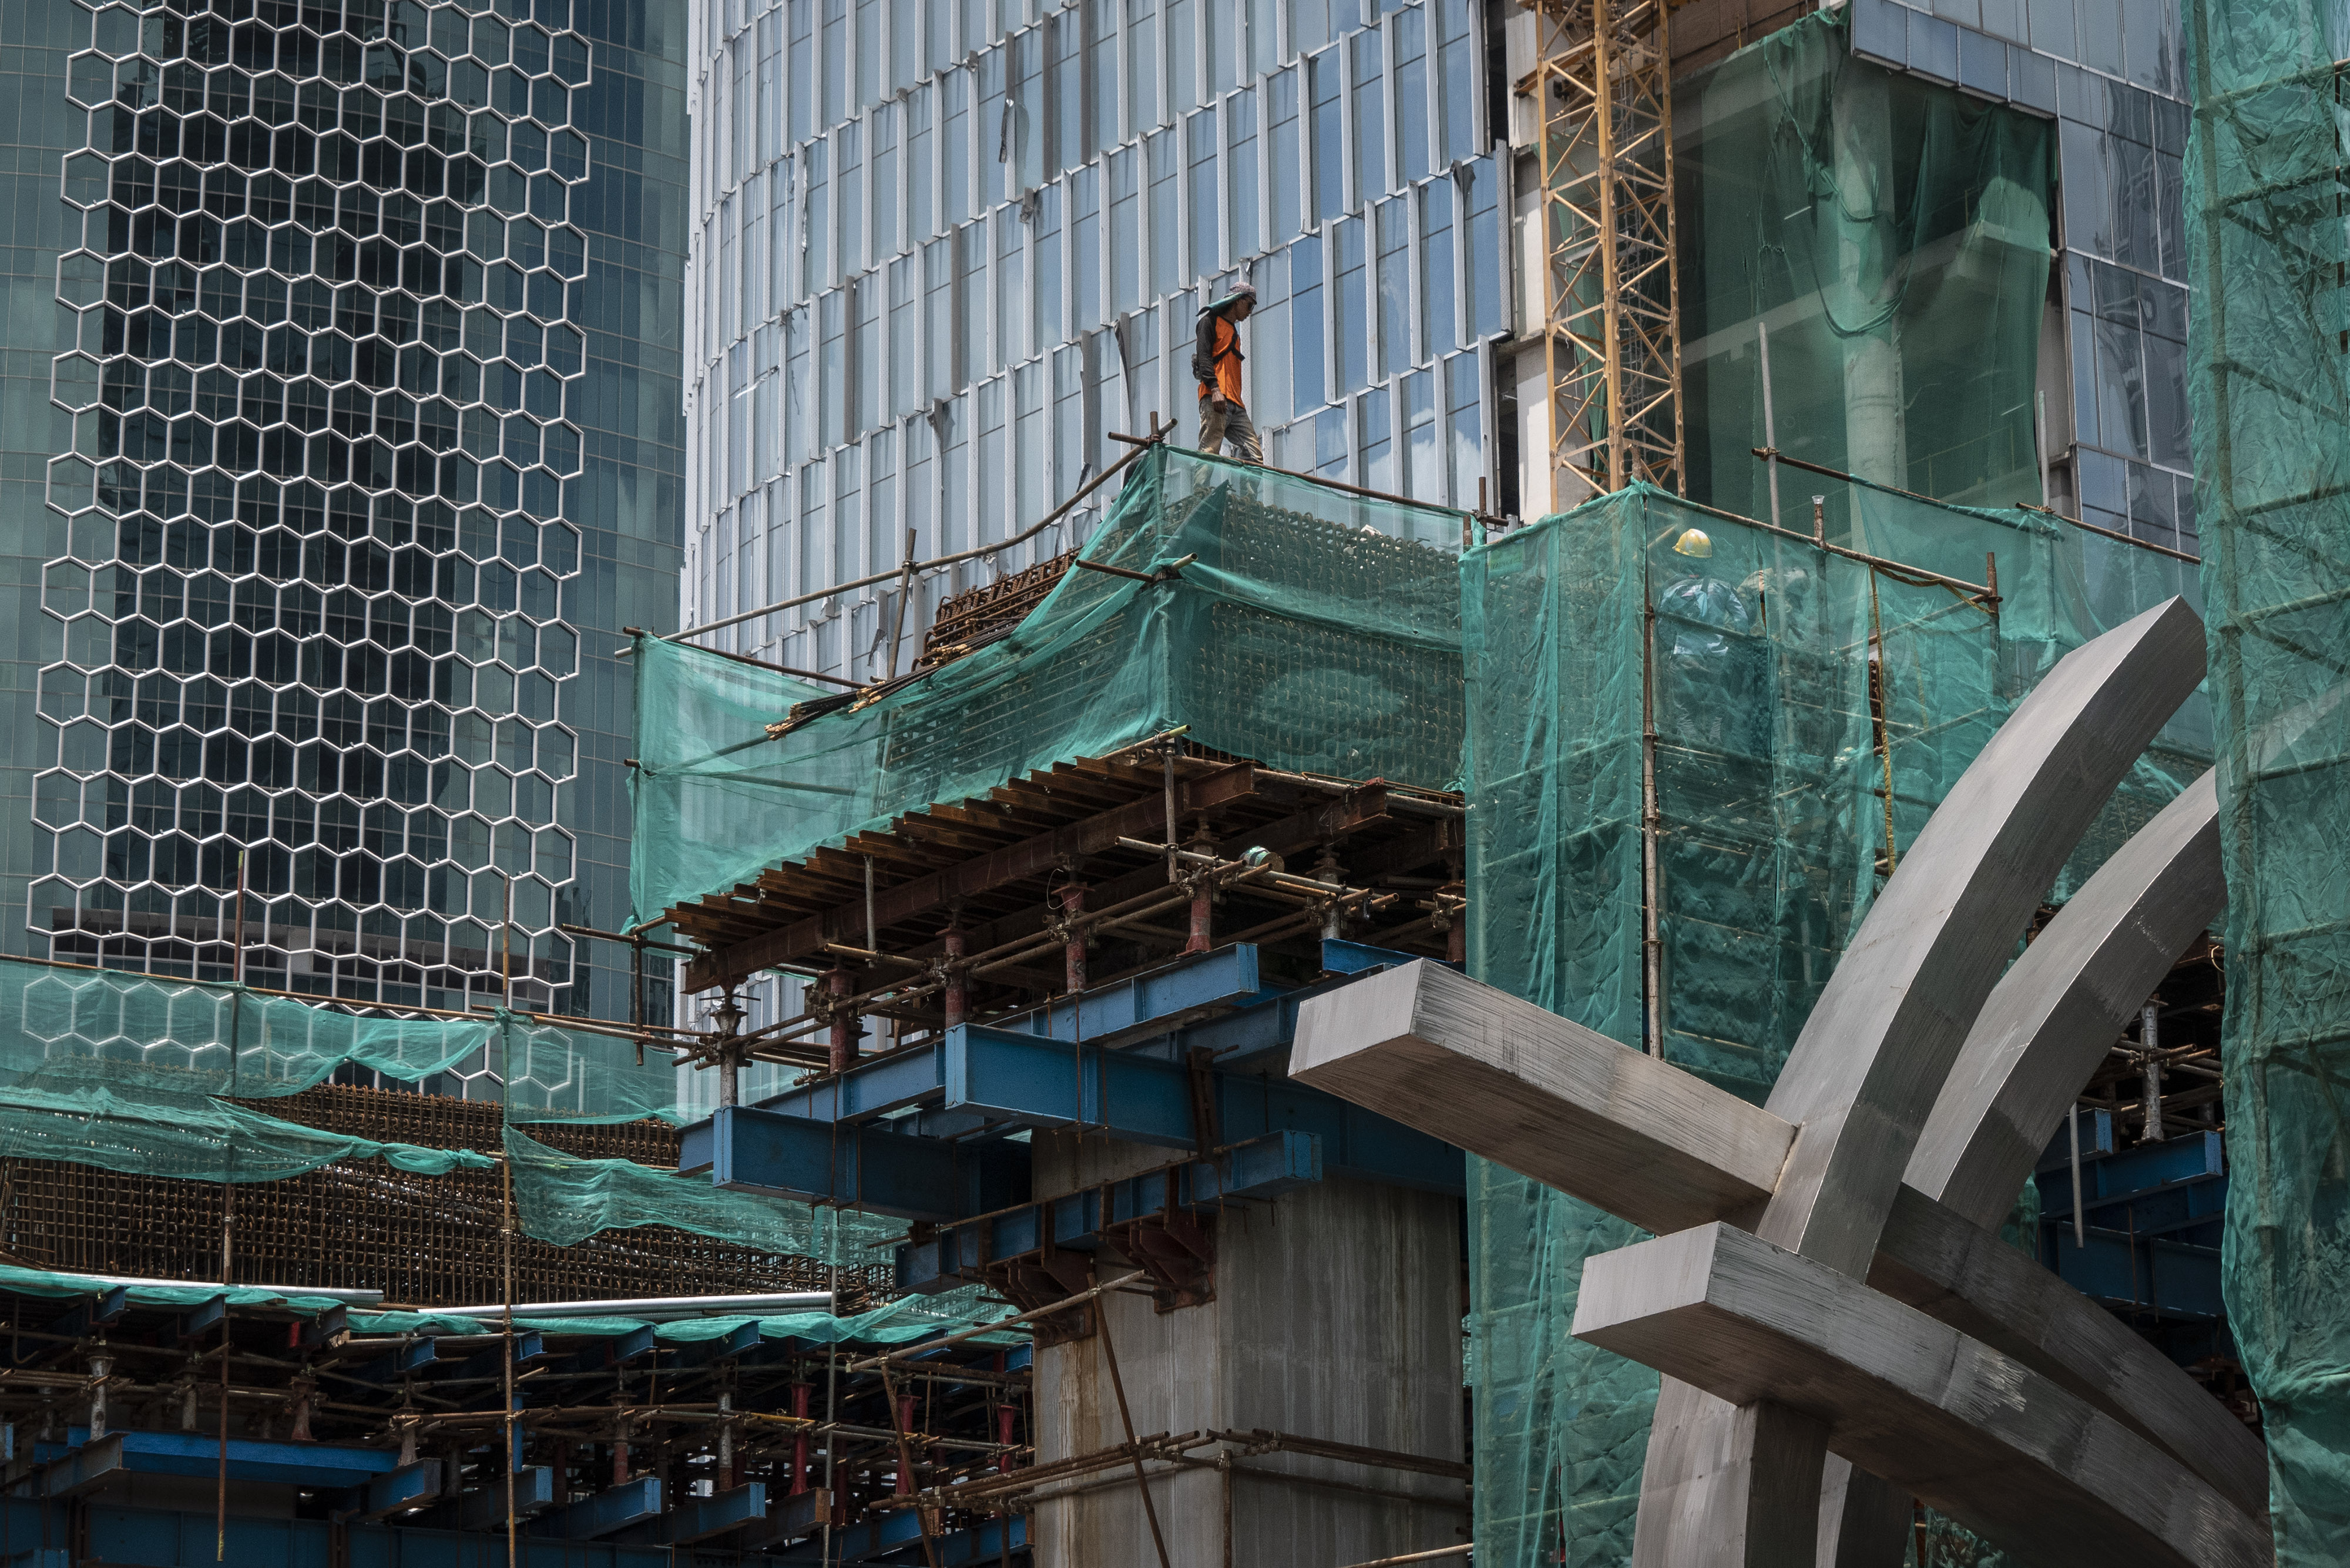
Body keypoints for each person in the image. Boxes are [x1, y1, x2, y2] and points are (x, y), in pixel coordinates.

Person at [1193, 281, 1263, 462]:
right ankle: (1201, 490)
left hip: (1236, 404)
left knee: (1254, 455)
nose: (1249, 312)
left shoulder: (1233, 332)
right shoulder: (1209, 322)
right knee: (1210, 448)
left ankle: (1245, 492)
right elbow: (1204, 357)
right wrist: (1215, 390)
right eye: (1249, 305)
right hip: (1215, 397)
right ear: (1237, 301)